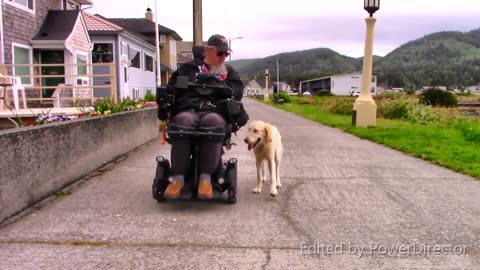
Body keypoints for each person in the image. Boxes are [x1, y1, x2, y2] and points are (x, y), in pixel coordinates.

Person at [161, 34, 244, 200]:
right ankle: (178, 179)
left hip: (215, 111)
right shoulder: (189, 68)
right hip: (189, 109)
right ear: (207, 50)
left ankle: (205, 179)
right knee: (183, 122)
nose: (223, 57)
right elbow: (171, 88)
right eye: (220, 53)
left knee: (213, 123)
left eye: (226, 54)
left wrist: (219, 83)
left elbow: (238, 91)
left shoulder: (229, 72)